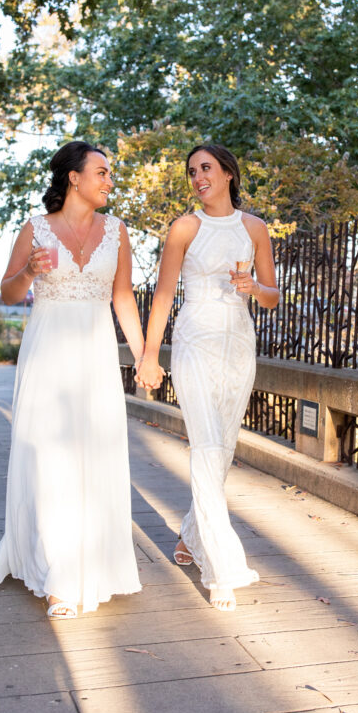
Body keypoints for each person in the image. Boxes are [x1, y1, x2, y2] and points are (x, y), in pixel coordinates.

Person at [0, 141, 148, 618]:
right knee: (50, 458)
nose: (109, 180)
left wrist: (144, 355)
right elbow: (9, 294)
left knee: (94, 452)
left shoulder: (117, 231)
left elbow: (124, 297)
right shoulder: (35, 228)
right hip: (48, 351)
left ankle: (94, 561)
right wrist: (29, 270)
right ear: (74, 177)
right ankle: (57, 576)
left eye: (109, 173)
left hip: (94, 354)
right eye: (102, 172)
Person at [136, 143, 279, 611]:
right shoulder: (185, 227)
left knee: (225, 447)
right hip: (195, 338)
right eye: (193, 171)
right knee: (206, 446)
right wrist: (150, 354)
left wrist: (255, 288)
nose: (199, 177)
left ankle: (190, 536)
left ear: (228, 174)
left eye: (207, 168)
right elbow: (161, 294)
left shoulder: (255, 228)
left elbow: (272, 296)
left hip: (238, 341)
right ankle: (221, 570)